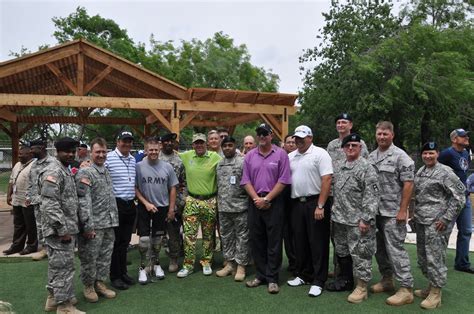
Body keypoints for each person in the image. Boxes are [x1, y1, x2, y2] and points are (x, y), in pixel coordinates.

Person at [414, 141, 466, 309]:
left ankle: (436, 293)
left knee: (435, 257)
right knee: (423, 257)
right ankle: (430, 286)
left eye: (432, 153)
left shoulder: (445, 172)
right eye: (425, 154)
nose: (428, 156)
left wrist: (446, 219)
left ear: (437, 154)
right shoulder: (421, 171)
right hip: (422, 221)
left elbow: (460, 197)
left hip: (437, 224)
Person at [368, 121, 415, 306]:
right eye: (379, 134)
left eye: (385, 134)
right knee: (379, 249)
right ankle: (387, 279)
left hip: (393, 212)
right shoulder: (372, 157)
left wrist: (403, 210)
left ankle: (406, 288)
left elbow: (409, 184)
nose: (381, 137)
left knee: (396, 250)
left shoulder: (401, 157)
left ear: (392, 135)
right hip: (375, 211)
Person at [241, 123, 291, 294]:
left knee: (274, 242)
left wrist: (267, 199)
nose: (262, 136)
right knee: (257, 241)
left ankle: (272, 278)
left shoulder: (281, 154)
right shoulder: (249, 156)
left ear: (271, 135)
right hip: (255, 202)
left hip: (274, 202)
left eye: (265, 133)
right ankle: (261, 275)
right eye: (259, 133)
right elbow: (245, 180)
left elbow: (283, 180)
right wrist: (257, 199)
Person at [329, 133, 379, 303]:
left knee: (360, 254)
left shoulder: (367, 168)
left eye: (354, 145)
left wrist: (366, 219)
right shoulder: (339, 166)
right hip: (339, 219)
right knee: (342, 252)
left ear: (360, 147)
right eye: (347, 145)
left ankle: (362, 287)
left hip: (357, 221)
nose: (350, 148)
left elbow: (371, 196)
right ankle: (346, 280)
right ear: (343, 148)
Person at [286, 126, 333, 297]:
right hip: (297, 204)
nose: (299, 141)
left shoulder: (320, 154)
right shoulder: (290, 156)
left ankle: (319, 280)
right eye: (296, 138)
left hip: (315, 202)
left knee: (318, 242)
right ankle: (303, 275)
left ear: (310, 138)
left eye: (302, 138)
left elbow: (327, 179)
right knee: (300, 241)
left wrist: (320, 205)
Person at [40, 137, 84, 314]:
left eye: (73, 151)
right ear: (57, 152)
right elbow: (50, 203)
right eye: (67, 151)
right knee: (64, 268)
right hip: (59, 231)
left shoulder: (65, 169)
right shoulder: (54, 171)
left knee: (56, 266)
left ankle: (52, 299)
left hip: (64, 228)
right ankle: (64, 306)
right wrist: (62, 229)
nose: (70, 154)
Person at [76, 137, 118, 303]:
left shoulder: (105, 170)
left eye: (103, 151)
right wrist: (87, 226)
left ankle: (100, 283)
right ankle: (88, 286)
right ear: (90, 153)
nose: (101, 155)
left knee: (104, 256)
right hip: (94, 225)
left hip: (109, 222)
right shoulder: (84, 172)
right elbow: (83, 201)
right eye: (97, 152)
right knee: (89, 258)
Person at [177, 133, 222, 277]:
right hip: (192, 200)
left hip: (209, 201)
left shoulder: (215, 157)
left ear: (206, 144)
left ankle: (206, 262)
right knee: (189, 236)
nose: (199, 145)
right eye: (196, 143)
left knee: (208, 235)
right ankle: (188, 264)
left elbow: (233, 158)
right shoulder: (187, 156)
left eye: (202, 143)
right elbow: (169, 153)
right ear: (192, 145)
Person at [135, 137, 178, 284]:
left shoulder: (167, 167)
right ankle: (143, 267)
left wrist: (171, 209)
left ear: (159, 150)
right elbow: (135, 188)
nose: (153, 152)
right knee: (144, 239)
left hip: (162, 207)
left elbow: (173, 188)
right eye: (150, 150)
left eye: (155, 150)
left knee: (158, 239)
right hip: (144, 207)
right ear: (146, 150)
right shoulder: (138, 166)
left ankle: (156, 264)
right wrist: (146, 203)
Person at [438, 128, 473, 274]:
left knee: (466, 231)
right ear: (454, 139)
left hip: (464, 198)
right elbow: (437, 170)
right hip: (450, 200)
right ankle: (436, 263)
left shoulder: (466, 153)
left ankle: (462, 263)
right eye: (463, 136)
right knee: (444, 231)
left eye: (466, 136)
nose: (466, 138)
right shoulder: (447, 154)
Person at [215, 136, 250, 282]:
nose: (227, 148)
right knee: (226, 237)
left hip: (240, 207)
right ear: (222, 147)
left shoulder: (243, 162)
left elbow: (248, 183)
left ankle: (241, 266)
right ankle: (230, 264)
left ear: (235, 146)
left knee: (242, 237)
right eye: (225, 146)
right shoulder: (219, 163)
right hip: (223, 208)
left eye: (230, 145)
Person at [106, 131, 137, 290]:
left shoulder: (132, 159)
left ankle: (123, 272)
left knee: (125, 242)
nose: (127, 144)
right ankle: (115, 276)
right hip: (116, 204)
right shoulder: (109, 158)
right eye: (124, 141)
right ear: (117, 141)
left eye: (129, 141)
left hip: (130, 204)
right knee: (116, 242)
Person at [159, 132, 187, 273]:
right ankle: (154, 260)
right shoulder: (154, 158)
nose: (169, 143)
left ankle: (174, 259)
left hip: (174, 202)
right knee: (157, 233)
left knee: (174, 232)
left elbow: (184, 182)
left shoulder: (179, 160)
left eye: (171, 141)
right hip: (157, 201)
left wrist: (181, 200)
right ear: (161, 143)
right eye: (166, 141)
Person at [26, 139, 56, 261]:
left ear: (42, 148)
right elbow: (31, 182)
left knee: (52, 225)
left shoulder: (53, 163)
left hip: (50, 202)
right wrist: (28, 196)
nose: (31, 151)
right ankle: (44, 248)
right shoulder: (34, 164)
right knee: (40, 226)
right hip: (37, 202)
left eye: (33, 149)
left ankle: (53, 249)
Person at [3, 145, 36, 256]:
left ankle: (31, 246)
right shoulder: (17, 165)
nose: (20, 156)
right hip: (17, 199)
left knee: (30, 225)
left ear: (30, 154)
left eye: (22, 154)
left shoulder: (34, 166)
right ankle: (16, 246)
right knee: (18, 224)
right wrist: (9, 195)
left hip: (28, 200)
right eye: (19, 154)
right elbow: (11, 181)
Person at [281, 134, 297, 274]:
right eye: (288, 142)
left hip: (297, 201)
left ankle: (300, 262)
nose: (291, 144)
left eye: (293, 142)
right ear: (284, 144)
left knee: (297, 234)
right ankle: (292, 262)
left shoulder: (300, 157)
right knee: (287, 234)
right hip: (283, 201)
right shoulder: (281, 158)